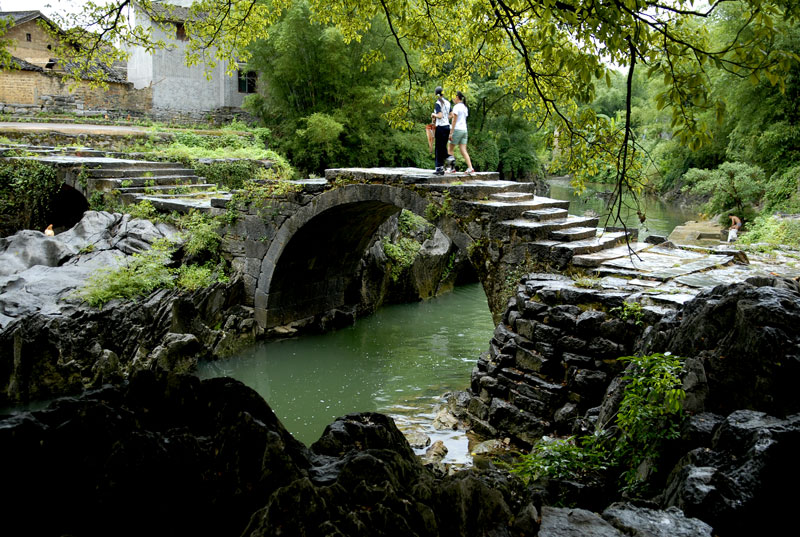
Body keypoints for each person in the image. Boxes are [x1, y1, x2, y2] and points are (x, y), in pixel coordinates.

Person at [447, 90, 474, 175]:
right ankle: (470, 168)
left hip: (457, 130)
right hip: (464, 130)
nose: (452, 99)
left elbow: (454, 120)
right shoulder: (464, 107)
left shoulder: (456, 107)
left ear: (457, 97)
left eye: (453, 97)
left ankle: (451, 168)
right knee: (463, 150)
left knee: (450, 149)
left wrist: (451, 132)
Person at [430, 86, 451, 175]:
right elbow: (451, 115)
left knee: (438, 148)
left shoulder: (438, 103)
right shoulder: (448, 102)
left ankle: (439, 168)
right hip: (447, 127)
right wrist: (446, 118)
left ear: (436, 94)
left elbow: (440, 115)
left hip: (441, 127)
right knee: (443, 147)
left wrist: (433, 114)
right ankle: (447, 161)